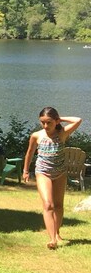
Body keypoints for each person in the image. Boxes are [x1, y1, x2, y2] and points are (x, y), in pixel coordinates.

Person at [22, 107, 83, 249]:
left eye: (49, 122)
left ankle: (56, 231)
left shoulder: (62, 133)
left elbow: (78, 120)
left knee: (58, 205)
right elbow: (29, 153)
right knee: (48, 204)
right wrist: (26, 170)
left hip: (60, 173)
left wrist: (60, 119)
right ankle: (52, 239)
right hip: (43, 172)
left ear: (55, 121)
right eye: (42, 122)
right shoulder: (36, 136)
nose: (45, 126)